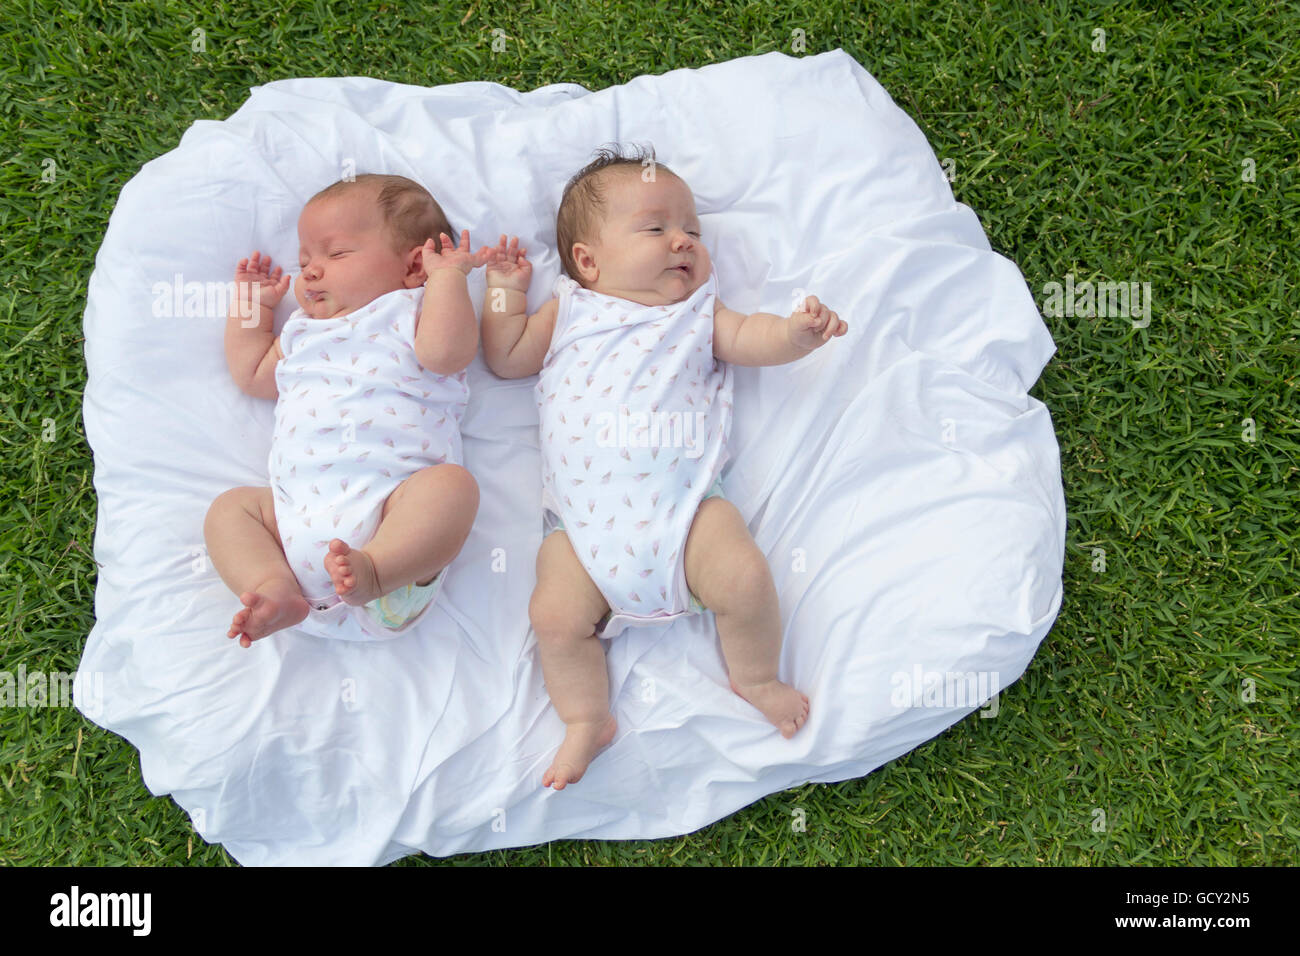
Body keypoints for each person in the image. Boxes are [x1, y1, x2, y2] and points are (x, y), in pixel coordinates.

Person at [482, 147, 847, 788]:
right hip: (582, 529)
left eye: (693, 232)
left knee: (742, 577)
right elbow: (508, 358)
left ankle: (756, 676)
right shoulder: (568, 308)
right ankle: (586, 718)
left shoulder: (698, 314)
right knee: (555, 618)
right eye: (656, 229)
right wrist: (507, 294)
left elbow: (751, 339)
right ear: (587, 261)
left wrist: (795, 335)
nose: (683, 241)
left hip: (687, 510)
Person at [205, 174, 491, 645]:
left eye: (335, 254)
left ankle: (377, 569)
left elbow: (447, 354)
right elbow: (253, 373)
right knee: (229, 510)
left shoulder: (412, 312)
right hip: (296, 525)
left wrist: (447, 280)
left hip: (394, 526)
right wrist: (252, 309)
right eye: (304, 260)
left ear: (413, 265)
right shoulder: (301, 332)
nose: (310, 272)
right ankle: (272, 587)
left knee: (451, 488)